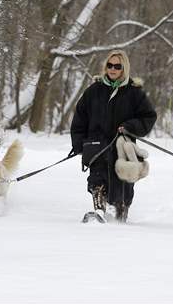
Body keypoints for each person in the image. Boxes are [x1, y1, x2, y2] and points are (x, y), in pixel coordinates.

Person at [70, 49, 157, 222]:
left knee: (123, 188)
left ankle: (119, 214)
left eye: (117, 66)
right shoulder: (94, 90)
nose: (113, 69)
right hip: (97, 146)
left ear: (124, 68)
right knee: (97, 181)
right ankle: (99, 211)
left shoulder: (134, 92)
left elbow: (149, 117)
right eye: (110, 65)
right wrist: (79, 144)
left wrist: (129, 126)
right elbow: (80, 118)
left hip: (122, 148)